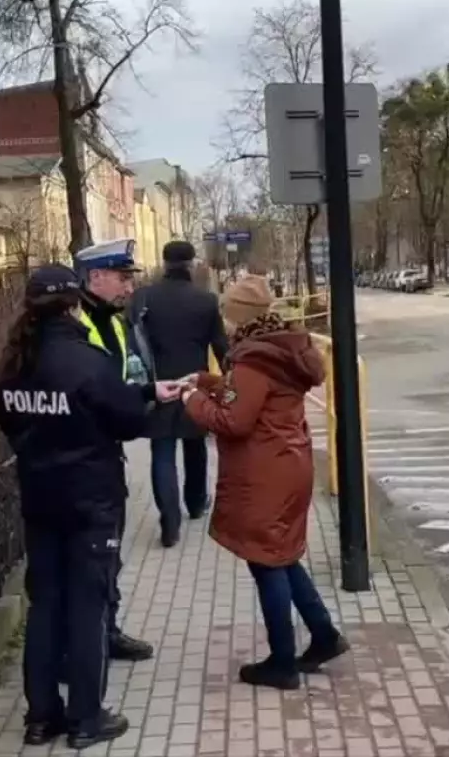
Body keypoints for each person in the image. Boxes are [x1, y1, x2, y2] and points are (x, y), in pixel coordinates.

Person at [0, 263, 185, 749]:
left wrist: (143, 391)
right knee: (88, 607)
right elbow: (124, 421)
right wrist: (146, 402)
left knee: (45, 604)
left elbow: (18, 423)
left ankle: (41, 717)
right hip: (91, 500)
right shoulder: (87, 359)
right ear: (74, 304)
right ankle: (86, 718)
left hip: (40, 497)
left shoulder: (11, 366)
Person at [180, 275, 349, 691]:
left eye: (227, 313)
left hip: (265, 474)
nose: (224, 320)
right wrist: (209, 383)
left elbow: (235, 421)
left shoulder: (252, 359)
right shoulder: (278, 350)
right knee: (283, 556)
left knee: (266, 561)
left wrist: (192, 401)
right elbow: (254, 397)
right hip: (290, 465)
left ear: (239, 316)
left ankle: (281, 663)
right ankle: (324, 636)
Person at [72, 238, 157, 663]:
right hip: (83, 457)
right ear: (96, 277)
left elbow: (118, 382)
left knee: (110, 553)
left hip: (108, 453)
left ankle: (108, 628)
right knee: (92, 556)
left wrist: (148, 392)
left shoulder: (115, 321)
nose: (128, 287)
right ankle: (91, 641)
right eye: (122, 278)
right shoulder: (77, 322)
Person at [128, 239, 229, 547]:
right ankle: (196, 504)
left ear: (164, 262)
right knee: (195, 447)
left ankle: (170, 524)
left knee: (162, 454)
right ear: (191, 264)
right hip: (193, 386)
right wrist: (230, 384)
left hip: (157, 387)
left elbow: (132, 342)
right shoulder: (206, 301)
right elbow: (221, 348)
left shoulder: (143, 298)